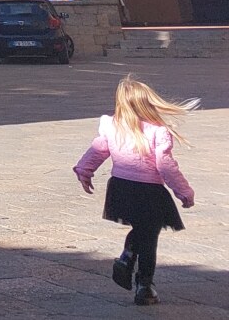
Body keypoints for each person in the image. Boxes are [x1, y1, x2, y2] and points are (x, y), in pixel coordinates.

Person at [74, 75, 199, 306]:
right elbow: (165, 165)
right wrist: (184, 191)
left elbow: (97, 150)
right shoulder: (157, 131)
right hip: (149, 192)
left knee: (142, 230)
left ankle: (128, 255)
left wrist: (84, 170)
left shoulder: (111, 126)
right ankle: (145, 286)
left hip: (121, 188)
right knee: (149, 237)